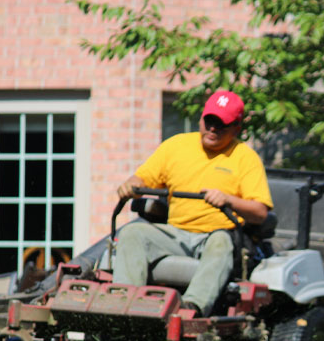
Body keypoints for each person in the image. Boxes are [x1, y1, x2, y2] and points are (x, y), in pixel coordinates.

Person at [113, 90, 273, 317]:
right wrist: (131, 184)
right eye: (209, 121)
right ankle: (124, 304)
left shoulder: (245, 158)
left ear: (237, 128)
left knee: (221, 242)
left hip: (215, 236)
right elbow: (143, 179)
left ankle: (191, 309)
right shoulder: (176, 146)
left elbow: (260, 213)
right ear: (201, 118)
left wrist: (228, 199)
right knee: (133, 233)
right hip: (175, 234)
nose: (213, 129)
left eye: (222, 124)